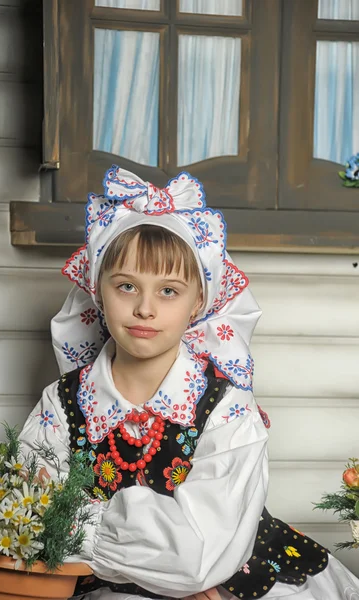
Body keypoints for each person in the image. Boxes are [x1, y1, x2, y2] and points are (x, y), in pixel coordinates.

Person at [19, 166, 359, 600]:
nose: (144, 308)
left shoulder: (226, 406)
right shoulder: (63, 403)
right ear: (96, 290)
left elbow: (200, 556)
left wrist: (82, 525)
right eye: (126, 286)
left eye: (168, 291)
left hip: (245, 580)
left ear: (199, 300)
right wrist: (159, 563)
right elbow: (26, 514)